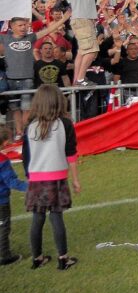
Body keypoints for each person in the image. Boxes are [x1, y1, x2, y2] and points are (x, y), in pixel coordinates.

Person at [21, 85, 80, 270]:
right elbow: (71, 153)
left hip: (36, 178)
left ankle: (37, 258)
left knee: (37, 218)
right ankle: (63, 258)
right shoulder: (65, 124)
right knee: (56, 216)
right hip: (57, 178)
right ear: (58, 101)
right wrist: (75, 179)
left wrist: (30, 176)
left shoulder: (30, 126)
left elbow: (25, 156)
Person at [1, 14, 72, 139]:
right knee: (14, 108)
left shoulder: (31, 37)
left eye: (25, 25)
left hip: (27, 79)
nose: (23, 28)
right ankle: (19, 133)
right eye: (20, 25)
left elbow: (49, 29)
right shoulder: (4, 38)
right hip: (10, 79)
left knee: (26, 108)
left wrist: (64, 18)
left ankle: (25, 133)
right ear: (12, 26)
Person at [68, 0, 111, 85]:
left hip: (84, 20)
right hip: (82, 19)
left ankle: (76, 79)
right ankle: (81, 79)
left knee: (82, 51)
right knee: (92, 50)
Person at [0, 124, 28, 265]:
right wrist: (30, 187)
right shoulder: (3, 160)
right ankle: (4, 256)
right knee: (4, 227)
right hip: (1, 201)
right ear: (5, 142)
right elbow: (11, 181)